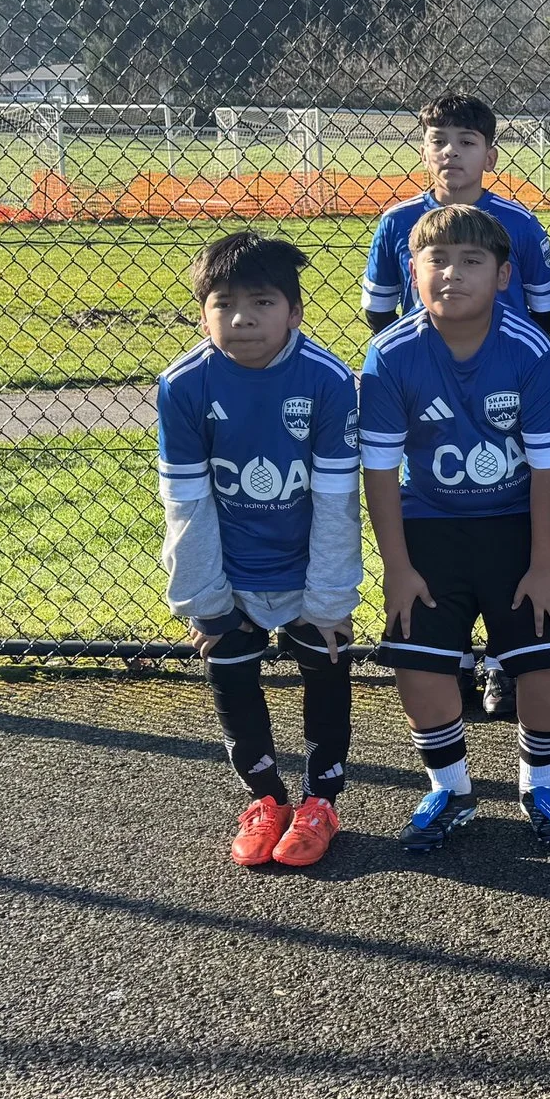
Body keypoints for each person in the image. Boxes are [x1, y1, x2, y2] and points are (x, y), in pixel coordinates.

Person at [359, 205, 550, 848]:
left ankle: (539, 782)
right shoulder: (388, 354)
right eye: (436, 260)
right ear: (412, 272)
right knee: (417, 660)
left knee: (547, 658)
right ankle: (451, 789)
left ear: (502, 275)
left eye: (471, 262)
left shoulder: (530, 349)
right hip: (429, 524)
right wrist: (399, 569)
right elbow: (379, 472)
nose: (452, 274)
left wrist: (545, 566)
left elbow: (549, 469)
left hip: (520, 522)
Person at [157, 232, 363, 870]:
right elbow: (186, 503)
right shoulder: (182, 386)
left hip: (308, 574)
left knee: (326, 671)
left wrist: (330, 598)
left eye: (263, 302)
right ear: (202, 314)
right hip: (229, 574)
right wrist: (204, 598)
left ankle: (320, 801)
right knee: (232, 677)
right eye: (224, 303)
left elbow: (336, 503)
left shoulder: (329, 381)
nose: (243, 317)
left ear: (296, 312)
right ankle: (266, 797)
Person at [361, 91, 550, 724]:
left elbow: (546, 309)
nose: (452, 152)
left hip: (502, 387)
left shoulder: (519, 225)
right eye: (439, 139)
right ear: (424, 149)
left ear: (490, 153)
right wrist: (421, 365)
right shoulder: (397, 223)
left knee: (517, 587)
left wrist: (505, 346)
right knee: (436, 601)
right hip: (431, 403)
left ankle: (505, 664)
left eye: (466, 141)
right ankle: (458, 664)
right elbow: (379, 310)